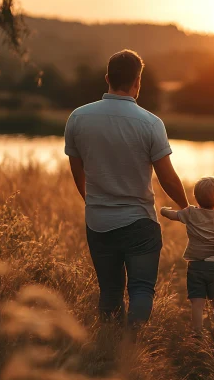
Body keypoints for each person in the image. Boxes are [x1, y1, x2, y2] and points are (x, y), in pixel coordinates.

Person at [64, 49, 189, 327]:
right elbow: (167, 178)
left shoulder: (78, 118)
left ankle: (109, 347)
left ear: (107, 78)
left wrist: (90, 200)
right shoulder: (151, 123)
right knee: (142, 289)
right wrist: (186, 208)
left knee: (109, 291)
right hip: (139, 222)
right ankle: (131, 345)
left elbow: (77, 168)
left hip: (98, 221)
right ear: (138, 81)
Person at [160, 176, 214, 339]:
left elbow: (173, 215)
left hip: (196, 266)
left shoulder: (190, 213)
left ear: (196, 198)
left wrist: (163, 210)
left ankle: (197, 333)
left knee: (197, 302)